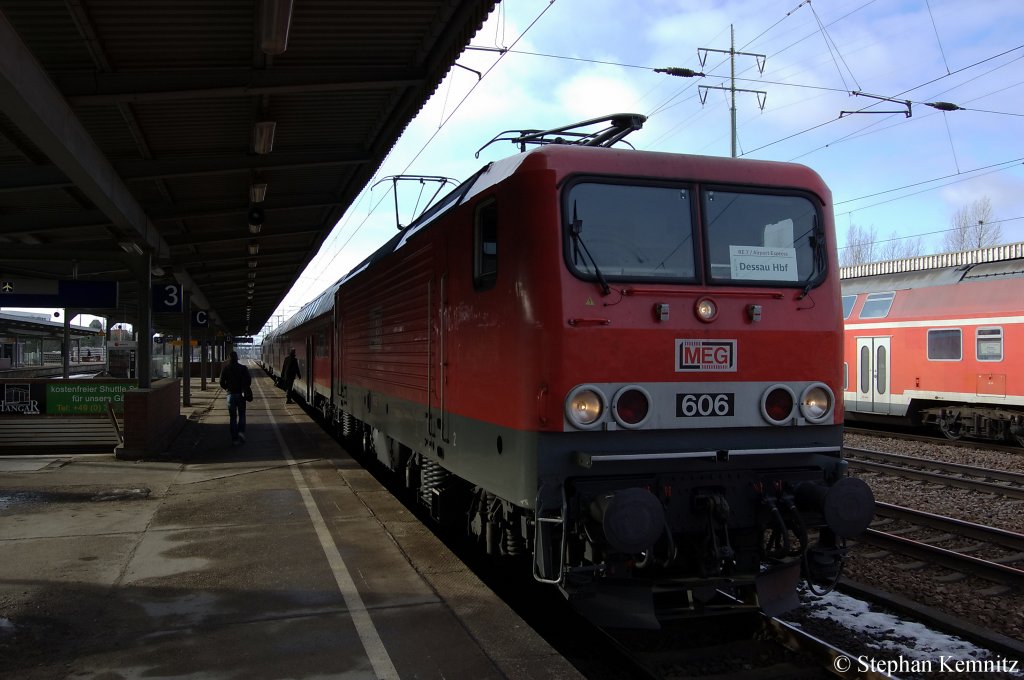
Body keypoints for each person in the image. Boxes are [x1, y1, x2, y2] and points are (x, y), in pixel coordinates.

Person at [218, 351, 252, 444]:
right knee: (242, 415)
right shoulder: (243, 368)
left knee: (232, 417)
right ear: (237, 358)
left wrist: (227, 389)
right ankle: (241, 432)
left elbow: (221, 382)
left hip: (230, 396)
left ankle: (234, 439)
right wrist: (243, 387)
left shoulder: (226, 369)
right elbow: (248, 381)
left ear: (229, 359)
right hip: (241, 395)